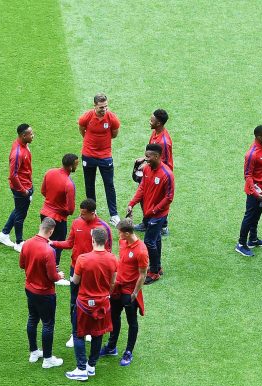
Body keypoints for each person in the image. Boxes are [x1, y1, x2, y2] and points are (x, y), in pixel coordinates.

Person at [49, 199, 112, 348]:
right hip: (76, 268)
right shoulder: (77, 223)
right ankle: (75, 332)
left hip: (93, 272)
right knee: (74, 300)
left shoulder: (103, 228)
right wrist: (53, 243)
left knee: (93, 300)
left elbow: (107, 252)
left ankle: (90, 331)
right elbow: (70, 243)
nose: (80, 215)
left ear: (92, 213)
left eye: (83, 214)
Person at [66, 227, 118, 381]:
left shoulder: (83, 259)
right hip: (103, 303)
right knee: (98, 334)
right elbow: (113, 283)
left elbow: (75, 280)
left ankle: (81, 369)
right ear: (106, 241)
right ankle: (91, 366)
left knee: (78, 334)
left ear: (93, 240)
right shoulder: (113, 259)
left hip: (84, 304)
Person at [20, 218, 68, 368]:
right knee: (48, 324)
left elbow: (22, 264)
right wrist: (59, 275)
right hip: (45, 293)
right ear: (51, 231)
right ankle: (47, 359)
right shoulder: (49, 250)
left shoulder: (27, 243)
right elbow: (53, 277)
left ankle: (34, 352)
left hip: (30, 289)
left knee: (32, 319)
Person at [100, 219, 147, 366]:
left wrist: (134, 293)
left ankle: (128, 352)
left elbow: (143, 274)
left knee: (132, 321)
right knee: (114, 316)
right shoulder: (122, 242)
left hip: (129, 291)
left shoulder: (141, 250)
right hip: (118, 288)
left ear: (127, 233)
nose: (118, 234)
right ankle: (111, 346)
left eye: (120, 232)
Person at [126, 143, 174, 284]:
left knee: (149, 241)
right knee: (156, 239)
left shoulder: (167, 174)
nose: (145, 159)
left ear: (157, 156)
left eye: (148, 156)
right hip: (148, 212)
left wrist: (154, 210)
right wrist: (132, 203)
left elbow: (169, 197)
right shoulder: (147, 169)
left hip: (158, 214)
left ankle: (153, 272)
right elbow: (142, 188)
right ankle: (157, 267)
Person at [78, 94, 121, 224]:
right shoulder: (87, 117)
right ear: (95, 106)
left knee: (109, 184)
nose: (104, 109)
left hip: (105, 156)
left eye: (106, 106)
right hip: (88, 155)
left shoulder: (112, 118)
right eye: (101, 107)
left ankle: (114, 215)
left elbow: (114, 134)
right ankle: (92, 212)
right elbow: (82, 129)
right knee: (89, 184)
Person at [236, 125, 262, 257]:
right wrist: (255, 193)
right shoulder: (252, 154)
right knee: (249, 216)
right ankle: (241, 244)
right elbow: (247, 176)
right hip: (255, 191)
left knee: (257, 215)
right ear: (258, 136)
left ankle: (253, 239)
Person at [134, 109, 173, 236]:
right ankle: (146, 222)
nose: (149, 122)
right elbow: (153, 153)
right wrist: (144, 159)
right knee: (145, 196)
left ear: (159, 123)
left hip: (160, 175)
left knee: (158, 199)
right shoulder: (155, 132)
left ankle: (163, 226)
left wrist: (149, 168)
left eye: (152, 120)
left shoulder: (164, 142)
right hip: (153, 170)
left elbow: (165, 162)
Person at [0, 124, 34, 251]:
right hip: (21, 188)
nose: (33, 136)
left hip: (25, 184)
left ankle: (4, 234)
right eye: (31, 134)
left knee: (18, 210)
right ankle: (19, 243)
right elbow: (13, 175)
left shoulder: (23, 145)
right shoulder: (17, 153)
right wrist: (23, 191)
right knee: (20, 215)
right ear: (23, 135)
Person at [38, 153, 79, 271]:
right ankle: (53, 270)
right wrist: (62, 208)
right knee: (57, 244)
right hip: (58, 219)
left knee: (45, 240)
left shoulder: (50, 172)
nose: (77, 167)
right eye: (76, 164)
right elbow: (70, 210)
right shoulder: (69, 184)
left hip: (44, 212)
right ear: (71, 167)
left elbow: (43, 191)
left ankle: (41, 264)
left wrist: (51, 200)